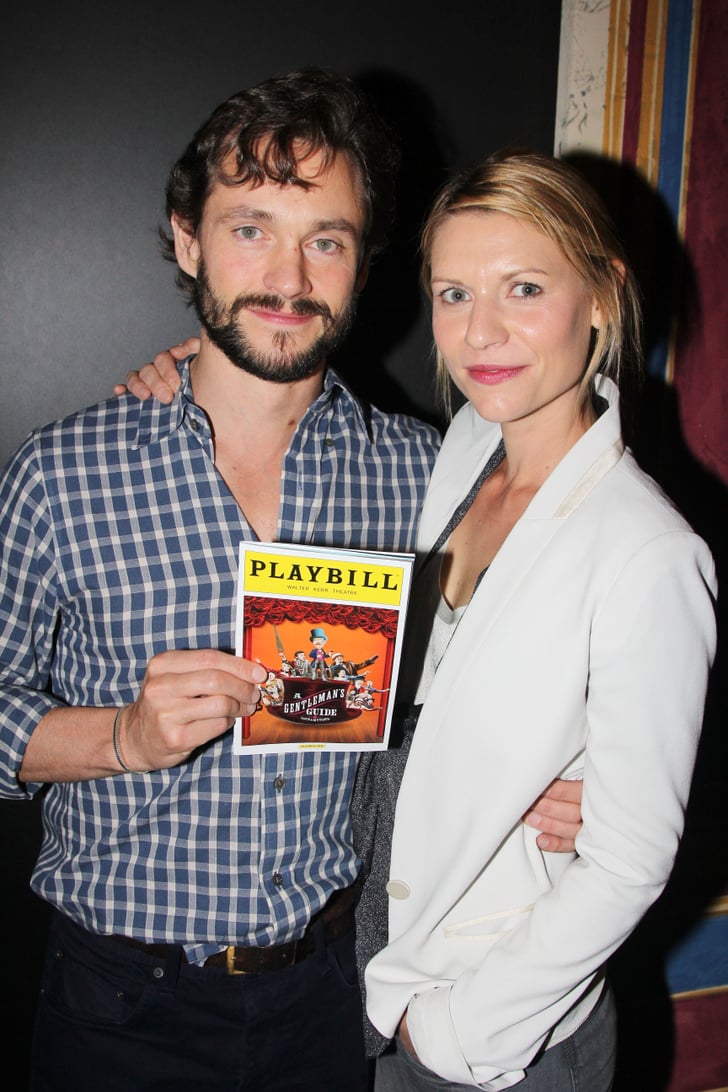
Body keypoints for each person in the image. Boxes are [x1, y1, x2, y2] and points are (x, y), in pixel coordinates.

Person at [0, 71, 581, 1092]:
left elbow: (497, 676)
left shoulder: (425, 474)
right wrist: (120, 739)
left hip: (329, 997)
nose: (288, 274)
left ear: (362, 266)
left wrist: (569, 784)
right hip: (119, 1009)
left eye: (326, 238)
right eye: (250, 229)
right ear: (187, 240)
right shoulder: (63, 472)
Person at [354, 151, 716, 1090]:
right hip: (387, 978)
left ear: (603, 294)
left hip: (496, 1036)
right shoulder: (466, 452)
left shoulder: (648, 551)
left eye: (523, 288)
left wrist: (462, 1030)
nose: (481, 333)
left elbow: (632, 863)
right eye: (452, 293)